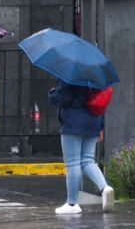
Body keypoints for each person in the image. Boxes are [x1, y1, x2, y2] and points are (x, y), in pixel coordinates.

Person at [49, 79, 115, 214]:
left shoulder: (70, 75)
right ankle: (105, 188)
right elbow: (100, 103)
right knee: (88, 161)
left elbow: (62, 99)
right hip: (93, 122)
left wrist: (52, 93)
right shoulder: (95, 75)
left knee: (72, 163)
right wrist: (100, 127)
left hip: (73, 123)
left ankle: (72, 204)